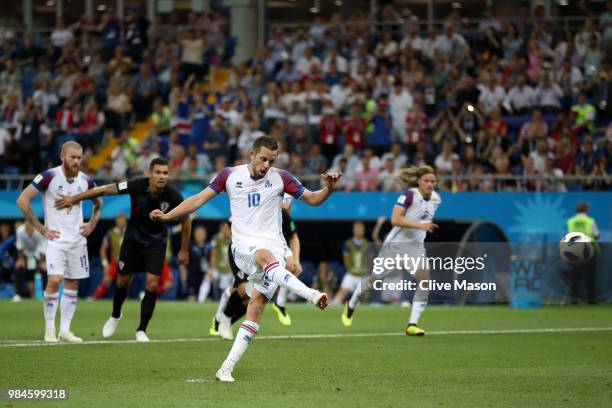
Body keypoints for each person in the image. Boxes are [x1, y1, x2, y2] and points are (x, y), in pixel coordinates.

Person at [149, 135, 341, 382]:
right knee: (264, 257)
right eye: (263, 159)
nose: (266, 166)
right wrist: (167, 217)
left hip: (276, 248)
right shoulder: (229, 175)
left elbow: (313, 200)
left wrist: (329, 189)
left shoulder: (281, 178)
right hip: (243, 246)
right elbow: (197, 200)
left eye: (271, 161)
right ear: (251, 154)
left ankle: (226, 368)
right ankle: (311, 294)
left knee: (257, 305)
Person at [54, 158, 191, 342]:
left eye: (165, 173)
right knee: (122, 282)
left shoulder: (173, 196)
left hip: (156, 244)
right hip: (132, 242)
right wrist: (73, 198)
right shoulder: (136, 186)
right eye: (158, 172)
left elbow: (186, 221)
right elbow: (103, 190)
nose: (162, 176)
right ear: (150, 173)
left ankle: (142, 329)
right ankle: (116, 314)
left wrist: (183, 250)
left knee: (151, 283)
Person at [17, 141, 103, 343]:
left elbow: (99, 203)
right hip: (56, 240)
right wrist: (41, 228)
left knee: (73, 283)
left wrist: (92, 223)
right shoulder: (49, 176)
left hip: (77, 241)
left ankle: (65, 330)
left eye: (80, 157)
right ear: (62, 157)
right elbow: (22, 200)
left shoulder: (86, 180)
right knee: (55, 280)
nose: (77, 161)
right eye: (73, 157)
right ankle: (49, 329)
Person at [342, 165, 441, 336]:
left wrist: (421, 229)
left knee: (425, 281)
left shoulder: (437, 199)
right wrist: (421, 226)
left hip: (415, 248)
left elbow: (423, 218)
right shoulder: (409, 195)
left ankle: (412, 324)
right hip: (394, 246)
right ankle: (351, 303)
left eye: (433, 181)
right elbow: (395, 220)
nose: (430, 184)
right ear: (418, 181)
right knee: (373, 281)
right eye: (426, 181)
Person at [211, 194, 303, 337]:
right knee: (241, 288)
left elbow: (294, 237)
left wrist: (295, 259)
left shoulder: (283, 215)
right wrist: (240, 244)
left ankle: (227, 321)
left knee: (251, 295)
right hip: (242, 252)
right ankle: (223, 318)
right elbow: (227, 229)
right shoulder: (253, 208)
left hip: (262, 255)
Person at [566, 201, 600, 304]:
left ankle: (573, 299)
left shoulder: (571, 221)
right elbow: (596, 235)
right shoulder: (590, 220)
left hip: (575, 249)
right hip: (589, 249)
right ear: (586, 209)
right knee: (590, 275)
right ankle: (591, 300)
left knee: (575, 275)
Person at [332, 221, 370, 306]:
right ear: (353, 231)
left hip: (363, 275)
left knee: (364, 299)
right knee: (340, 295)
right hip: (351, 274)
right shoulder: (348, 244)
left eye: (361, 229)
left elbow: (370, 260)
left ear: (364, 231)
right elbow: (346, 260)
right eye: (357, 229)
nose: (359, 231)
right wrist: (351, 270)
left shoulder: (367, 244)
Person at [91, 214, 127, 300]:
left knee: (124, 282)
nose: (121, 222)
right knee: (106, 281)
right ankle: (94, 298)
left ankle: (124, 300)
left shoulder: (130, 232)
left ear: (125, 221)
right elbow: (103, 250)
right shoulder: (110, 233)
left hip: (126, 262)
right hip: (115, 262)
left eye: (123, 220)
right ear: (116, 222)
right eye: (119, 220)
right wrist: (105, 264)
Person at [14, 221, 46, 299]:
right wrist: (21, 259)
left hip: (38, 254)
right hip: (25, 254)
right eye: (27, 230)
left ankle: (46, 294)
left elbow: (41, 248)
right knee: (18, 269)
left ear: (34, 228)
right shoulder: (20, 231)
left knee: (45, 270)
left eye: (31, 230)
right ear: (25, 228)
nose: (29, 233)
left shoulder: (39, 232)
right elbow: (19, 246)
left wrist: (42, 262)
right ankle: (18, 294)